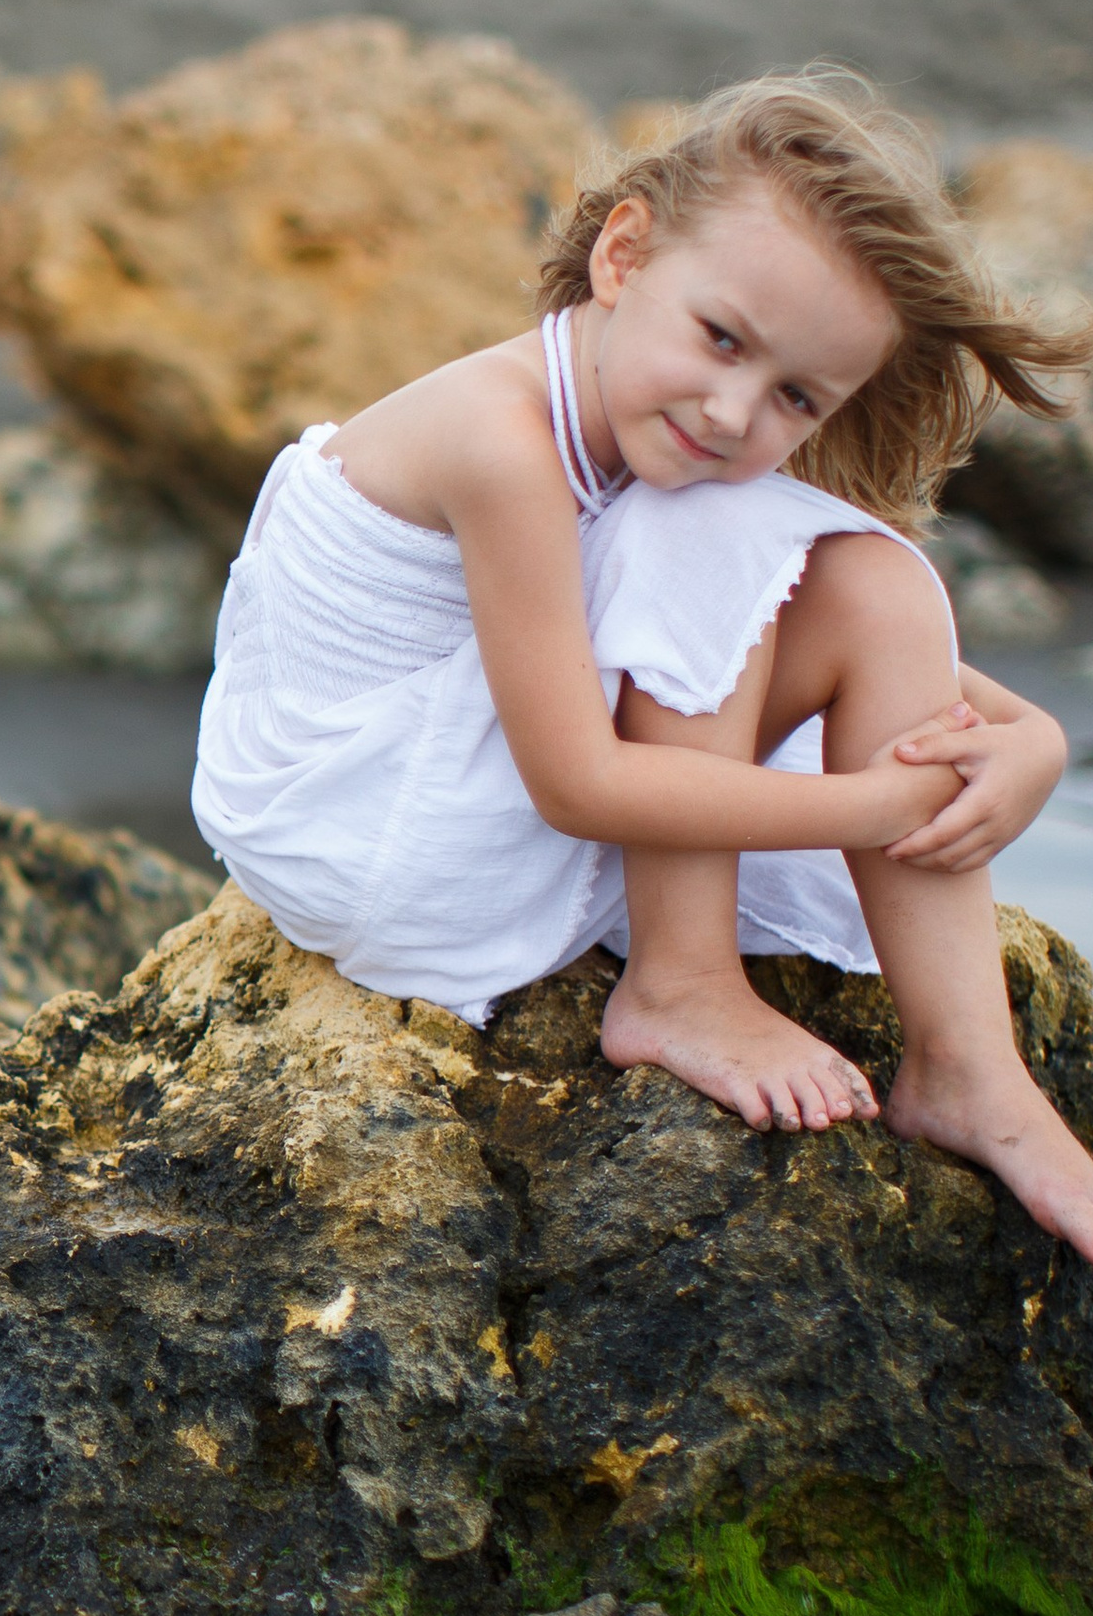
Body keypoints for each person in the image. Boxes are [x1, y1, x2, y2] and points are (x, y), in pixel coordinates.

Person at [191, 69, 1093, 1255]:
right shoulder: (502, 443)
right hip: (364, 826)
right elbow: (576, 783)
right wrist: (871, 803)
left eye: (794, 396)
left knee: (865, 580)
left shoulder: (643, 422)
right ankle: (681, 983)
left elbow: (871, 636)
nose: (731, 410)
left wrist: (1028, 741)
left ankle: (968, 1066)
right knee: (718, 523)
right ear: (622, 257)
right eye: (720, 338)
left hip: (446, 778)